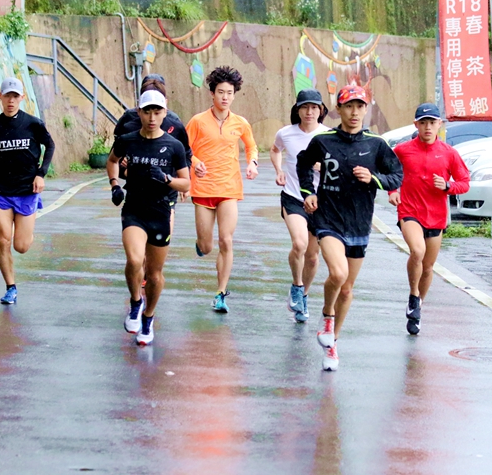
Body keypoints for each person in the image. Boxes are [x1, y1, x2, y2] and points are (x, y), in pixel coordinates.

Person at [297, 85, 403, 371]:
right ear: (339, 109)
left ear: (366, 109)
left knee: (347, 289)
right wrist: (308, 192)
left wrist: (374, 179)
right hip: (329, 219)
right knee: (338, 273)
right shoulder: (324, 140)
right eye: (349, 106)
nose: (354, 112)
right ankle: (326, 316)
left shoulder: (376, 144)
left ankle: (333, 344)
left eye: (360, 106)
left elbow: (396, 175)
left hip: (359, 222)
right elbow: (303, 162)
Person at [107, 90, 190, 345]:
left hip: (160, 211)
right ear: (139, 112)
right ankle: (135, 302)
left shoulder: (174, 146)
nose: (152, 117)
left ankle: (148, 316)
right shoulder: (127, 139)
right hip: (134, 208)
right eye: (147, 112)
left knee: (154, 274)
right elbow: (112, 161)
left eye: (157, 112)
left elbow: (186, 183)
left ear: (165, 113)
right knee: (134, 260)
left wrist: (167, 179)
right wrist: (114, 184)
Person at [387, 103, 470, 335]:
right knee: (417, 251)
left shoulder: (449, 153)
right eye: (423, 123)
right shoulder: (403, 150)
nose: (427, 127)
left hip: (436, 216)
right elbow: (391, 173)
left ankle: (418, 306)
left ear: (439, 125)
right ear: (416, 125)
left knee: (428, 267)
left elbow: (464, 182)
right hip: (409, 211)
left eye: (432, 123)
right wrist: (392, 192)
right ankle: (413, 295)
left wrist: (447, 186)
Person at [0, 77, 55, 304]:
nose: (11, 101)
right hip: (1, 189)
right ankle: (10, 287)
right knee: (2, 240)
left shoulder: (33, 124)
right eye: (7, 96)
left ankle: (27, 230)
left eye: (15, 96)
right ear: (0, 97)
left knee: (21, 246)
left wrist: (41, 173)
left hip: (27, 189)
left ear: (22, 98)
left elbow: (50, 145)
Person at [185, 66, 259, 313]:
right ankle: (201, 244)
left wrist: (253, 163)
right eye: (220, 92)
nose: (225, 97)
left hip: (229, 188)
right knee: (207, 247)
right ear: (212, 94)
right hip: (203, 189)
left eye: (229, 92)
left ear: (234, 94)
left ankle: (220, 293)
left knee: (226, 240)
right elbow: (183, 150)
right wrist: (195, 163)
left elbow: (251, 147)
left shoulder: (241, 123)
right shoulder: (197, 121)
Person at [269, 89, 330, 322]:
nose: (309, 112)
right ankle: (296, 285)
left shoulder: (329, 135)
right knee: (299, 243)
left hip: (320, 201)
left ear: (321, 110)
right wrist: (279, 170)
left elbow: (338, 167)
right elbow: (275, 150)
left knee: (313, 257)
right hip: (294, 196)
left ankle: (303, 295)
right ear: (297, 110)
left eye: (314, 107)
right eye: (305, 107)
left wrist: (321, 167)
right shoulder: (286, 133)